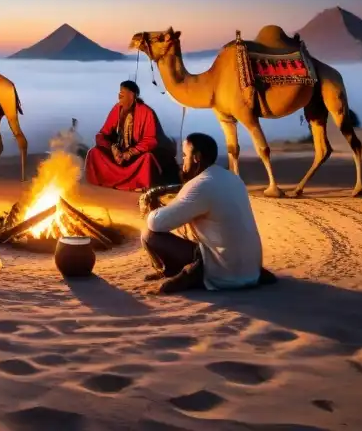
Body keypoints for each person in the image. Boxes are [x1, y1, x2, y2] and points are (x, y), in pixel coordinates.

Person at [142, 132, 277, 294]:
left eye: (185, 155)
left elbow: (157, 223)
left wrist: (151, 210)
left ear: (197, 157)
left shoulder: (200, 185)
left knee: (149, 234)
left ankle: (170, 271)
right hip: (252, 270)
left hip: (224, 274)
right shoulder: (233, 178)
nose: (182, 161)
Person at [83, 80, 180, 191]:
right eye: (119, 93)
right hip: (118, 155)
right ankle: (103, 181)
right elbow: (102, 134)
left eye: (122, 94)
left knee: (147, 159)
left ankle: (138, 184)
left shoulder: (147, 112)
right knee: (94, 152)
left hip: (136, 156)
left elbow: (150, 140)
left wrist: (129, 153)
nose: (119, 97)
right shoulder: (117, 109)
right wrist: (113, 148)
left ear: (132, 96)